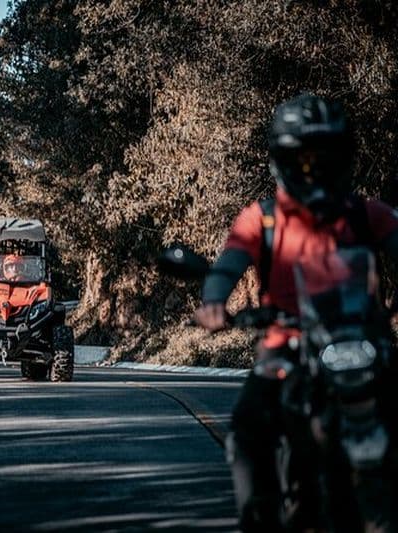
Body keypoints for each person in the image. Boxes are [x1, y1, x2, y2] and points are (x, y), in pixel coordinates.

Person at [194, 93, 398, 531]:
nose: (314, 170)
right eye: (304, 160)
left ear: (344, 159)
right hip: (286, 344)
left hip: (364, 343)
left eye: (325, 159)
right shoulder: (262, 220)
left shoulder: (369, 215)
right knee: (247, 432)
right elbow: (229, 263)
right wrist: (214, 301)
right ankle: (259, 520)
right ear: (283, 161)